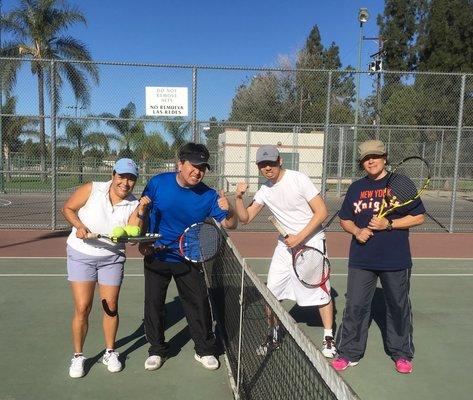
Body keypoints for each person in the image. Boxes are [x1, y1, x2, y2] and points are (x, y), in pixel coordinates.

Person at [138, 142, 238, 372]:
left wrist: (230, 208)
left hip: (189, 256)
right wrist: (143, 242)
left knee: (199, 304)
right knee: (153, 304)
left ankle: (204, 350)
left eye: (203, 167)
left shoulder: (210, 196)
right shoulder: (157, 183)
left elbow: (229, 224)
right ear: (180, 164)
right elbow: (142, 213)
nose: (198, 172)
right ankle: (156, 350)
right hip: (157, 255)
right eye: (194, 165)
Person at [234, 144, 337, 358]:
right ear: (258, 167)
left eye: (271, 162)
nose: (267, 168)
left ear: (280, 161)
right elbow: (244, 219)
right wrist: (238, 198)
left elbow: (322, 212)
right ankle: (272, 335)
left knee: (320, 291)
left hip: (311, 243)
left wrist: (300, 237)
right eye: (263, 164)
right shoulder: (264, 190)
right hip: (285, 247)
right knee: (271, 293)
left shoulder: (299, 179)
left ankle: (329, 338)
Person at [332, 140, 425, 374]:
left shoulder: (400, 183)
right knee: (355, 306)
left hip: (395, 259)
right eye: (366, 158)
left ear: (385, 158)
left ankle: (401, 353)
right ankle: (349, 352)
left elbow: (418, 217)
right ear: (362, 163)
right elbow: (345, 219)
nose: (370, 161)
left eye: (375, 156)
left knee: (397, 306)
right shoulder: (355, 188)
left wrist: (389, 223)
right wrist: (356, 231)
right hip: (362, 259)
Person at [62, 158, 150, 378]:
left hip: (112, 257)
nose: (125, 183)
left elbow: (132, 236)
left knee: (110, 306)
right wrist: (79, 226)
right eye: (122, 177)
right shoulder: (92, 189)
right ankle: (78, 356)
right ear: (113, 175)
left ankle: (110, 352)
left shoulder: (133, 204)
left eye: (131, 179)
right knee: (83, 307)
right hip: (81, 254)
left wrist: (142, 210)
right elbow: (68, 208)